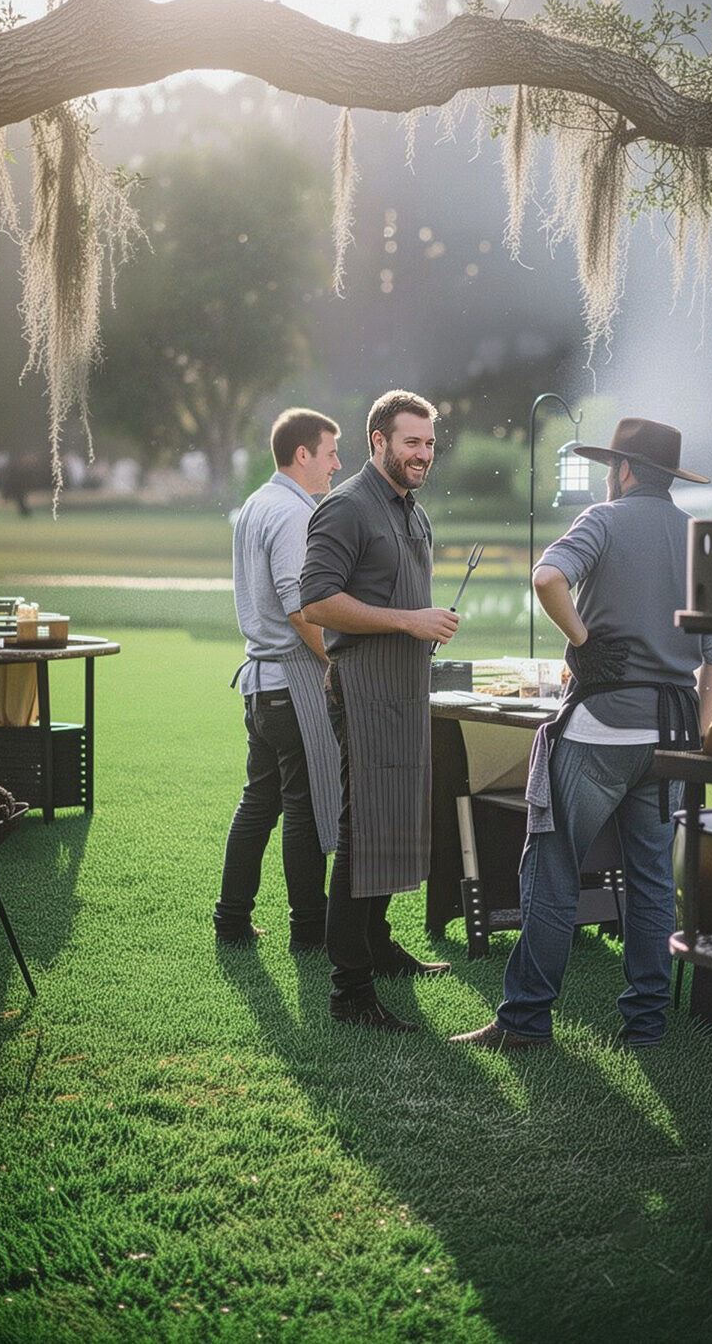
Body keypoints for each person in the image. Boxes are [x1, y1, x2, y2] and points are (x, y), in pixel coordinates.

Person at [450, 417, 712, 1051]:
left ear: (624, 470)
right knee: (654, 881)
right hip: (670, 738)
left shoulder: (603, 521)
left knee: (553, 871)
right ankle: (647, 1027)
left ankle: (524, 1023)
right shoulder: (700, 539)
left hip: (600, 730)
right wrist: (698, 738)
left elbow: (547, 578)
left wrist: (584, 640)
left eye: (612, 468)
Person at [299, 389, 459, 1032]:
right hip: (363, 687)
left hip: (407, 689)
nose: (423, 453)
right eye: (410, 442)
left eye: (428, 443)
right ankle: (350, 991)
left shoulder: (410, 509)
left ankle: (379, 944)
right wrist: (409, 621)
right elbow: (316, 603)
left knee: (396, 818)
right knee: (365, 829)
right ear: (378, 442)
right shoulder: (346, 507)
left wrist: (427, 625)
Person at [213, 408, 343, 952]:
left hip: (259, 684)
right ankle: (310, 929)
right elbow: (301, 608)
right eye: (331, 452)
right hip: (291, 681)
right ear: (303, 454)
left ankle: (231, 918)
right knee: (305, 806)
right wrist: (336, 666)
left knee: (259, 803)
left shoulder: (254, 506)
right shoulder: (292, 514)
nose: (338, 464)